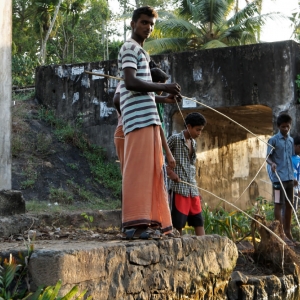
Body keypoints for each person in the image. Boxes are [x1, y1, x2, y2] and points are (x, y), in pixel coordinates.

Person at [118, 6, 182, 239]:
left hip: (148, 118)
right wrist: (164, 86)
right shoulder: (129, 47)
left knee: (153, 171)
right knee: (138, 172)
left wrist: (165, 98)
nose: (148, 27)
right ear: (133, 23)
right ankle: (134, 226)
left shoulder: (142, 53)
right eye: (144, 22)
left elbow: (142, 92)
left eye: (152, 24)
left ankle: (150, 223)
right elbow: (130, 83)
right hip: (137, 119)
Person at [167, 112, 206, 236]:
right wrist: (170, 172)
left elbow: (191, 167)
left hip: (192, 189)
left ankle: (203, 248)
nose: (199, 133)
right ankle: (178, 247)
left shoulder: (193, 143)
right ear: (188, 126)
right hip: (179, 188)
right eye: (197, 130)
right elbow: (160, 159)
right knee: (178, 222)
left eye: (201, 130)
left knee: (198, 221)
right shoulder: (175, 139)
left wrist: (196, 189)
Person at [266, 113, 296, 246]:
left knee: (290, 205)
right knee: (279, 204)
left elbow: (291, 159)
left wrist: (294, 177)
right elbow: (267, 157)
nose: (285, 129)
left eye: (287, 127)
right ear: (278, 126)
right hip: (279, 178)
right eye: (283, 127)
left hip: (289, 178)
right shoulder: (273, 140)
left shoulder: (291, 140)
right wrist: (272, 163)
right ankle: (281, 233)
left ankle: (288, 232)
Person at [292, 135, 300, 210]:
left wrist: (299, 189)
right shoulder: (286, 157)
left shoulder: (299, 160)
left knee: (294, 209)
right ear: (295, 145)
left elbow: (299, 175)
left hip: (295, 189)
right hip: (285, 186)